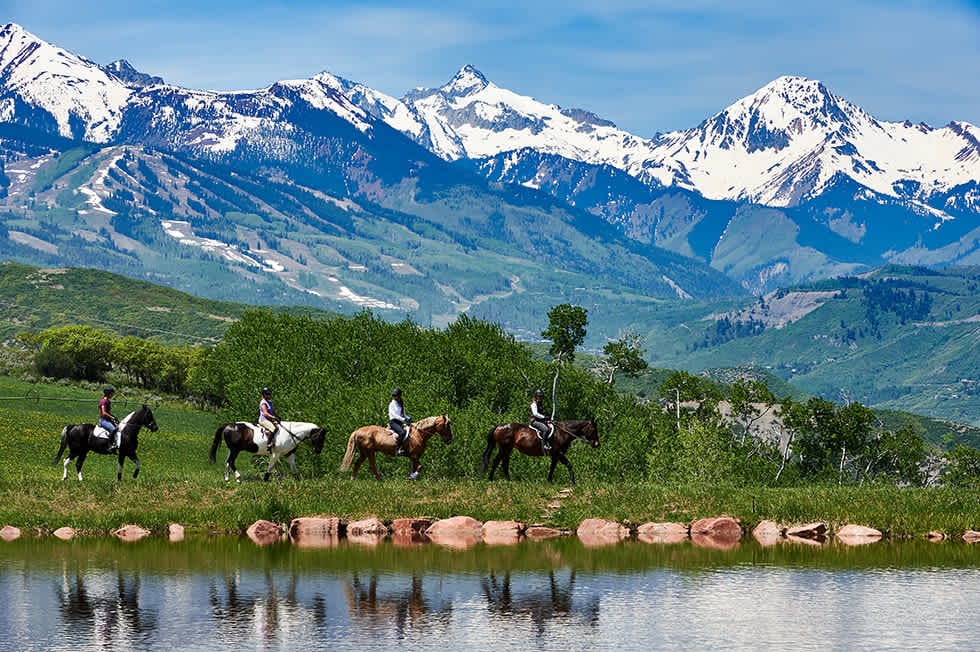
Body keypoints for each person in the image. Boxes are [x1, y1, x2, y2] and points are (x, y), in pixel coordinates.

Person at [388, 388, 412, 456]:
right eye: (394, 396)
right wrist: (404, 419)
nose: (395, 397)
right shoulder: (391, 404)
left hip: (400, 422)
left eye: (396, 396)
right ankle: (397, 449)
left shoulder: (401, 404)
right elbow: (394, 415)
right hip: (393, 422)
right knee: (402, 433)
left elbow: (404, 414)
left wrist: (409, 418)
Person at [258, 387, 280, 452]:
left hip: (269, 419)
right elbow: (265, 413)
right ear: (264, 395)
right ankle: (268, 444)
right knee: (273, 429)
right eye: (267, 394)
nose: (269, 395)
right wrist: (274, 418)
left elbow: (273, 411)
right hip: (263, 419)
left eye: (270, 394)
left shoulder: (269, 402)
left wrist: (277, 416)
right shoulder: (263, 403)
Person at [530, 389, 553, 453]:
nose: (540, 398)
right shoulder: (534, 403)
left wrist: (547, 419)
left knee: (551, 427)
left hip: (540, 421)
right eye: (539, 396)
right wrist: (544, 417)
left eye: (541, 396)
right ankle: (544, 445)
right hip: (534, 421)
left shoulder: (540, 403)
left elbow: (542, 413)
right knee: (546, 429)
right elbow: (535, 414)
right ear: (536, 396)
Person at [99, 385, 120, 453]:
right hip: (103, 420)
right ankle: (110, 445)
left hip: (108, 420)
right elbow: (104, 412)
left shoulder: (108, 401)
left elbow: (108, 412)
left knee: (119, 427)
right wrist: (112, 417)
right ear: (108, 393)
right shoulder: (103, 401)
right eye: (112, 393)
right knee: (113, 429)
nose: (113, 394)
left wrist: (114, 417)